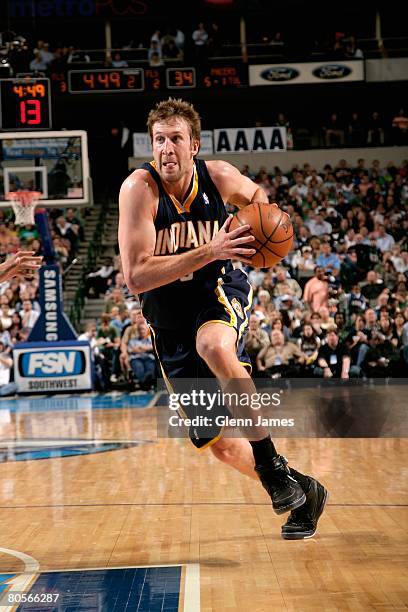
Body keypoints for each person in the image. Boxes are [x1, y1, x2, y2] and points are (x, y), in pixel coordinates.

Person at [118, 98, 327, 540]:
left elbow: (258, 199)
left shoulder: (219, 176)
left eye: (176, 139)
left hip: (217, 291)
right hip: (168, 324)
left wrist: (261, 230)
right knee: (224, 448)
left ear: (193, 144)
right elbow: (135, 275)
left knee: (213, 345)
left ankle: (270, 464)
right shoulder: (139, 189)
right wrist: (208, 248)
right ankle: (302, 489)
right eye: (159, 140)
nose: (167, 149)